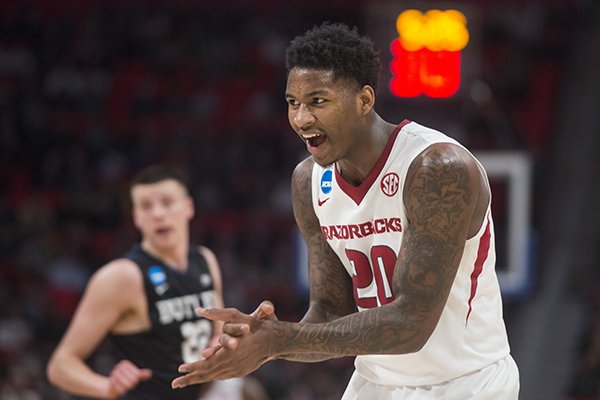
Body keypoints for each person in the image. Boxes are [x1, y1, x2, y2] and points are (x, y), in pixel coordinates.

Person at [171, 22, 520, 399]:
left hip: (466, 382)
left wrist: (281, 342)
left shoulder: (437, 169)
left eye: (318, 101)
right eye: (293, 103)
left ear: (365, 100)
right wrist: (261, 343)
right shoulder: (308, 181)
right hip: (376, 381)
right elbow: (329, 311)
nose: (302, 119)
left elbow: (412, 323)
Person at [46, 164, 262, 399]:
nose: (158, 214)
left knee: (249, 390)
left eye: (167, 202)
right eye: (147, 206)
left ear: (188, 207)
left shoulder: (205, 260)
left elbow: (217, 331)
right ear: (137, 217)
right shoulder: (122, 276)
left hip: (201, 392)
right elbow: (60, 366)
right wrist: (106, 387)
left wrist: (227, 341)